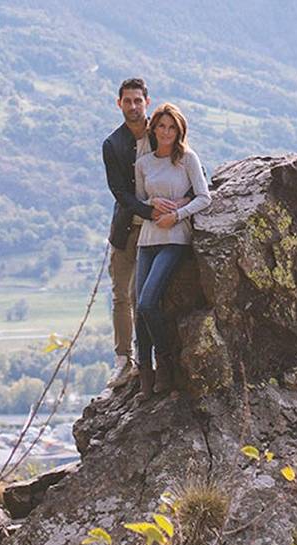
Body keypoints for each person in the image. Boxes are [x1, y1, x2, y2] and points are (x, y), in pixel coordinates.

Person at [102, 79, 190, 389]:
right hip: (129, 229)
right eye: (128, 101)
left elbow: (183, 167)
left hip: (160, 232)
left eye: (138, 101)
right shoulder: (113, 145)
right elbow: (121, 193)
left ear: (146, 102)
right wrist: (149, 210)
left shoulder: (161, 133)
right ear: (119, 104)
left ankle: (147, 362)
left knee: (145, 298)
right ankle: (123, 361)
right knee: (121, 296)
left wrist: (178, 207)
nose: (133, 106)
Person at [133, 102, 211, 398]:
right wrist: (152, 205)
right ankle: (145, 374)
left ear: (179, 130)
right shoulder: (144, 164)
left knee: (147, 302)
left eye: (172, 127)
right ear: (154, 129)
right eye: (162, 126)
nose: (166, 132)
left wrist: (177, 214)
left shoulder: (187, 159)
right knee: (139, 309)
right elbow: (139, 203)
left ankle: (164, 363)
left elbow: (204, 197)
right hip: (148, 240)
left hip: (175, 238)